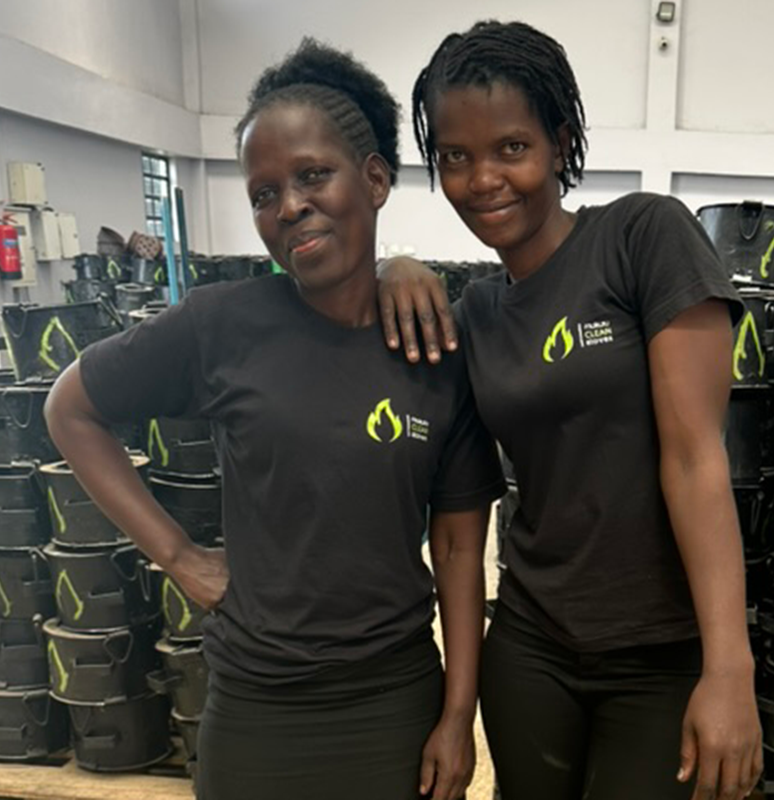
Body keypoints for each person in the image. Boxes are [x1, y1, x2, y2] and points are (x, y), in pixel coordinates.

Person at [44, 38, 504, 800]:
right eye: (264, 193)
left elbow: (459, 548)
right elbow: (70, 408)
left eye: (312, 175)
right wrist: (178, 555)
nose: (289, 206)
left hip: (392, 703)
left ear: (375, 179)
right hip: (256, 708)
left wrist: (459, 716)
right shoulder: (220, 325)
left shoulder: (433, 349)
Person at [378, 20, 762, 800]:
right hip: (531, 646)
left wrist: (730, 668)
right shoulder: (478, 314)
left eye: (511, 147)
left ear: (559, 143)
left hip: (659, 654)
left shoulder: (643, 237)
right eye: (455, 157)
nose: (483, 179)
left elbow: (697, 459)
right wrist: (392, 263)